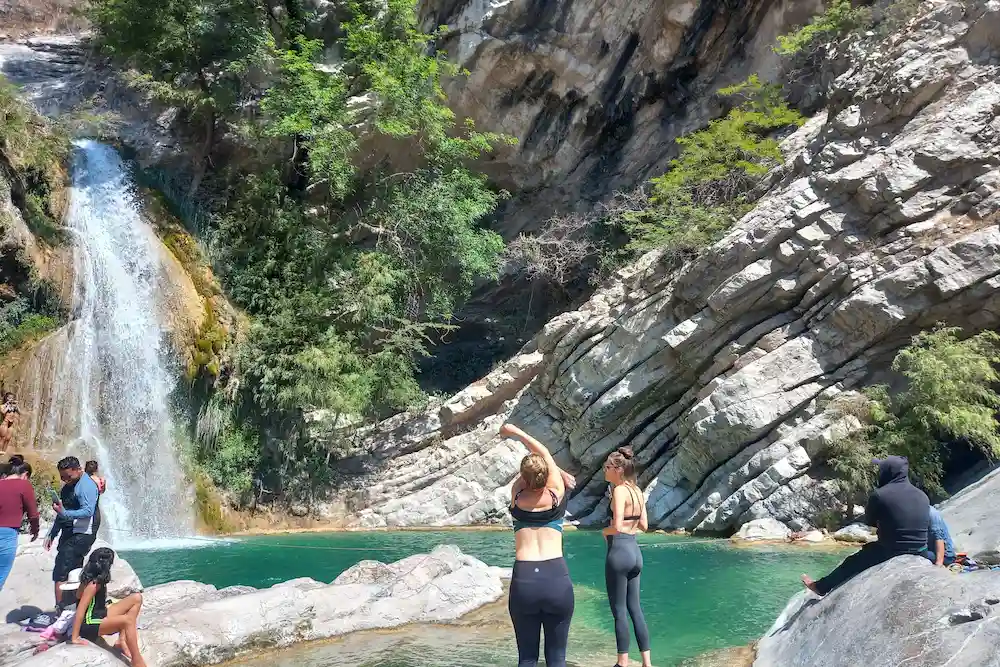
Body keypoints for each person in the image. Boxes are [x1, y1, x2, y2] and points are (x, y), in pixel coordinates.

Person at [500, 422, 575, 667]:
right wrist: (518, 432)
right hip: (556, 577)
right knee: (557, 658)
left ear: (523, 478)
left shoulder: (517, 496)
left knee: (527, 658)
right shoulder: (556, 493)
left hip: (525, 580)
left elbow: (533, 473)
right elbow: (545, 454)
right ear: (547, 476)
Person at [802, 456, 929, 596]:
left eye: (881, 470)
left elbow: (870, 523)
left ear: (888, 472)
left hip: (891, 551)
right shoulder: (922, 495)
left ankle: (821, 587)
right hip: (921, 551)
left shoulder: (880, 495)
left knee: (852, 562)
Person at [602, 447, 651, 667]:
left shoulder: (620, 491)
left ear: (619, 470)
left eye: (608, 467)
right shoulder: (638, 491)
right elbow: (644, 525)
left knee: (619, 610)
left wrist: (605, 532)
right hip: (635, 553)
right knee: (636, 609)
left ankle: (622, 663)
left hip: (619, 552)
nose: (605, 470)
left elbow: (618, 525)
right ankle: (646, 663)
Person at [70, 547, 146, 667]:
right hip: (90, 624)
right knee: (127, 620)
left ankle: (122, 641)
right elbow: (80, 610)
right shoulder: (93, 585)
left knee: (136, 598)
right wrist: (75, 637)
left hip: (100, 615)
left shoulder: (95, 580)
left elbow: (79, 595)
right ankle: (137, 660)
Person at [45, 456, 100, 607]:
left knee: (62, 572)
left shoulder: (86, 486)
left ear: (78, 469)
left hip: (81, 534)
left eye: (68, 476)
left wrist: (65, 513)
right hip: (71, 532)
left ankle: (60, 612)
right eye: (62, 477)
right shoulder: (69, 486)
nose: (65, 480)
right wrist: (53, 532)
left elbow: (88, 511)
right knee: (73, 571)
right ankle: (73, 608)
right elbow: (63, 511)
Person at [0, 460, 39, 589]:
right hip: (6, 534)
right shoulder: (24, 485)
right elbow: (33, 513)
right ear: (25, 474)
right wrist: (35, 530)